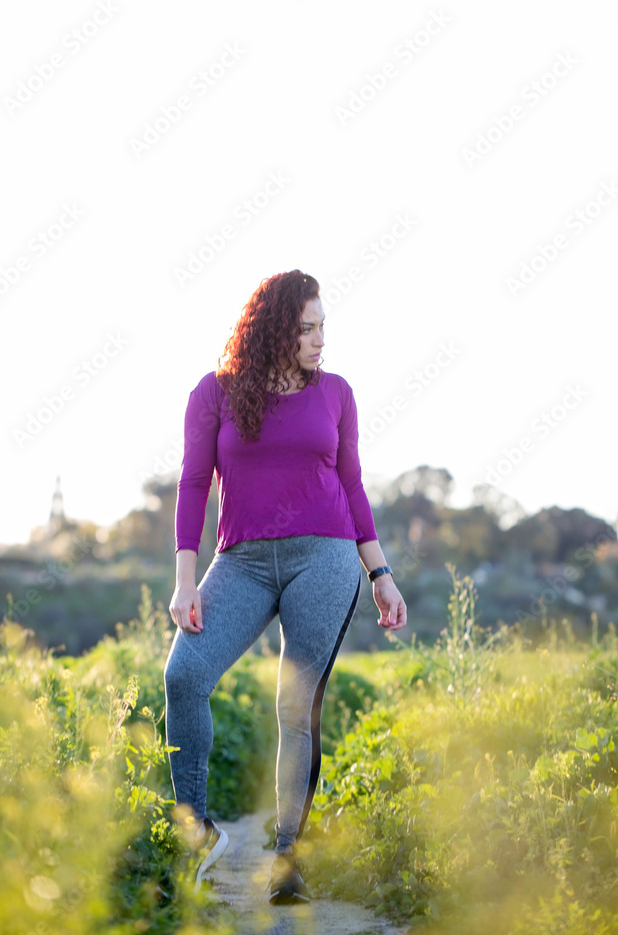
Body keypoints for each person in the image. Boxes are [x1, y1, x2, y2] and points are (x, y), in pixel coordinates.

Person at [164, 269, 407, 904]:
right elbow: (194, 484)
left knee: (295, 705)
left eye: (323, 327)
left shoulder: (336, 394)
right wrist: (185, 581)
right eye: (307, 329)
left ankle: (287, 858)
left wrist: (380, 573)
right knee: (184, 675)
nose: (320, 340)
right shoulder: (215, 393)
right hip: (240, 561)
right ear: (274, 330)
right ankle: (195, 833)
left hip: (325, 556)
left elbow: (352, 484)